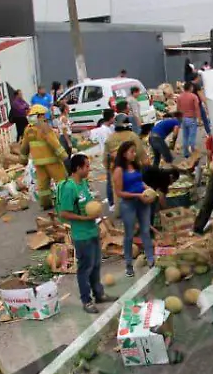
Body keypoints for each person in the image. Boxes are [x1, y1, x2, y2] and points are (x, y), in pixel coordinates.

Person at [56, 153, 106, 313]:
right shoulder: (69, 187)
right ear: (78, 168)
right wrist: (85, 219)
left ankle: (99, 294)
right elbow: (64, 213)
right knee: (85, 268)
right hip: (81, 235)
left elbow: (88, 205)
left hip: (92, 231)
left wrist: (96, 217)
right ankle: (86, 301)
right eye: (87, 166)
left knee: (96, 264)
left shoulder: (83, 183)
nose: (89, 169)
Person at [111, 141, 154, 277]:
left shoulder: (135, 166)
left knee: (146, 230)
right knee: (129, 235)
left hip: (143, 201)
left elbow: (139, 181)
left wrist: (147, 188)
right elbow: (119, 193)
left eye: (135, 151)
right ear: (124, 153)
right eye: (132, 152)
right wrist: (138, 195)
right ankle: (129, 264)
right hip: (129, 204)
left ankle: (150, 259)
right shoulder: (118, 170)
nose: (134, 154)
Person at [20, 105, 69, 209]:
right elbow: (53, 142)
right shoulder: (44, 127)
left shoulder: (28, 129)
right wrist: (63, 155)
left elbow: (24, 146)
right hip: (52, 160)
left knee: (43, 185)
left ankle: (46, 204)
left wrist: (23, 160)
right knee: (62, 181)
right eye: (43, 115)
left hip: (38, 162)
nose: (45, 117)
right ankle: (67, 201)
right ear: (39, 116)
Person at [103, 113, 148, 206]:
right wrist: (145, 164)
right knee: (135, 190)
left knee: (118, 194)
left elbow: (105, 159)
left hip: (116, 169)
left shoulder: (110, 139)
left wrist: (110, 169)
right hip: (132, 169)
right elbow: (140, 153)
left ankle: (119, 212)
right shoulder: (132, 136)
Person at [176, 82, 201, 158]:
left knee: (185, 136)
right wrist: (199, 118)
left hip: (183, 118)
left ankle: (186, 153)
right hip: (191, 119)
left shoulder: (180, 97)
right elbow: (197, 108)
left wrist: (178, 120)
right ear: (190, 88)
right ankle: (192, 151)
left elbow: (178, 109)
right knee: (192, 136)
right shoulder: (194, 96)